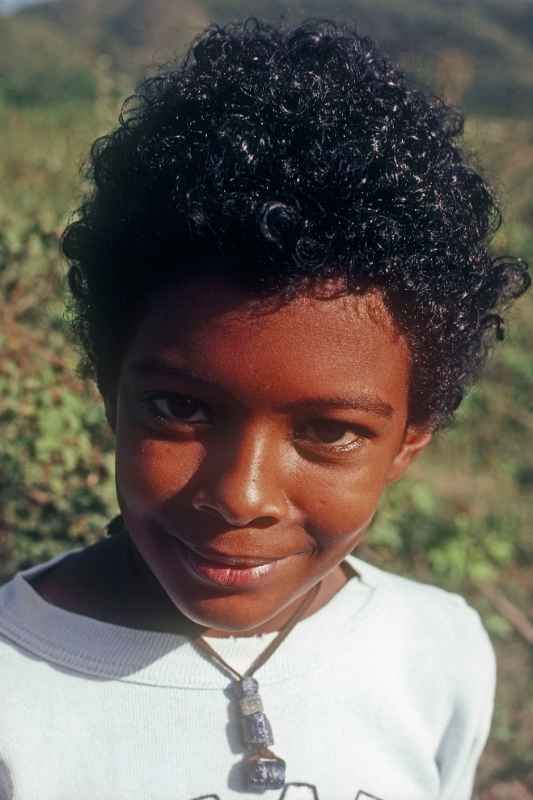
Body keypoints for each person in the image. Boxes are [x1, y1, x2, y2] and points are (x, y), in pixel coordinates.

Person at [0, 18, 529, 800]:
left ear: (409, 442)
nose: (241, 495)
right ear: (110, 390)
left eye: (330, 432)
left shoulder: (437, 649)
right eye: (180, 408)